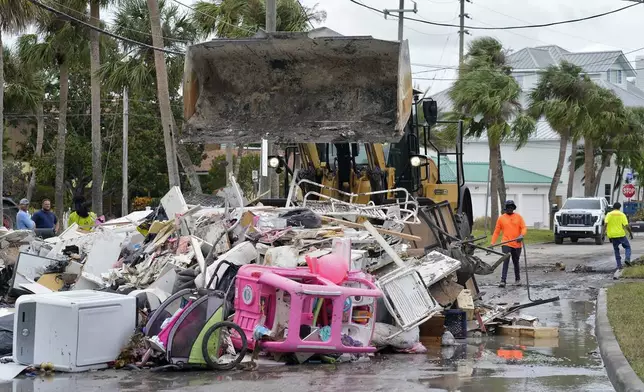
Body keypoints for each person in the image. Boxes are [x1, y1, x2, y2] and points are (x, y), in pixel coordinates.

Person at [491, 200, 527, 288]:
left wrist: (521, 235)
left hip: (517, 244)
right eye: (508, 207)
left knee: (516, 262)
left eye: (511, 207)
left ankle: (517, 280)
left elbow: (524, 228)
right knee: (505, 261)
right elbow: (496, 232)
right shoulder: (501, 218)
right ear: (505, 208)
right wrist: (492, 243)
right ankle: (503, 280)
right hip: (506, 243)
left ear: (513, 208)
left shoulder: (519, 217)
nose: (509, 209)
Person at [605, 202, 632, 270]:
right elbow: (626, 225)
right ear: (619, 208)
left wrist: (603, 233)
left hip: (612, 235)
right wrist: (630, 234)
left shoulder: (609, 214)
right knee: (627, 247)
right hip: (621, 234)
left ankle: (619, 265)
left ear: (613, 207)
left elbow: (605, 224)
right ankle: (627, 259)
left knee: (616, 250)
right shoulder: (622, 214)